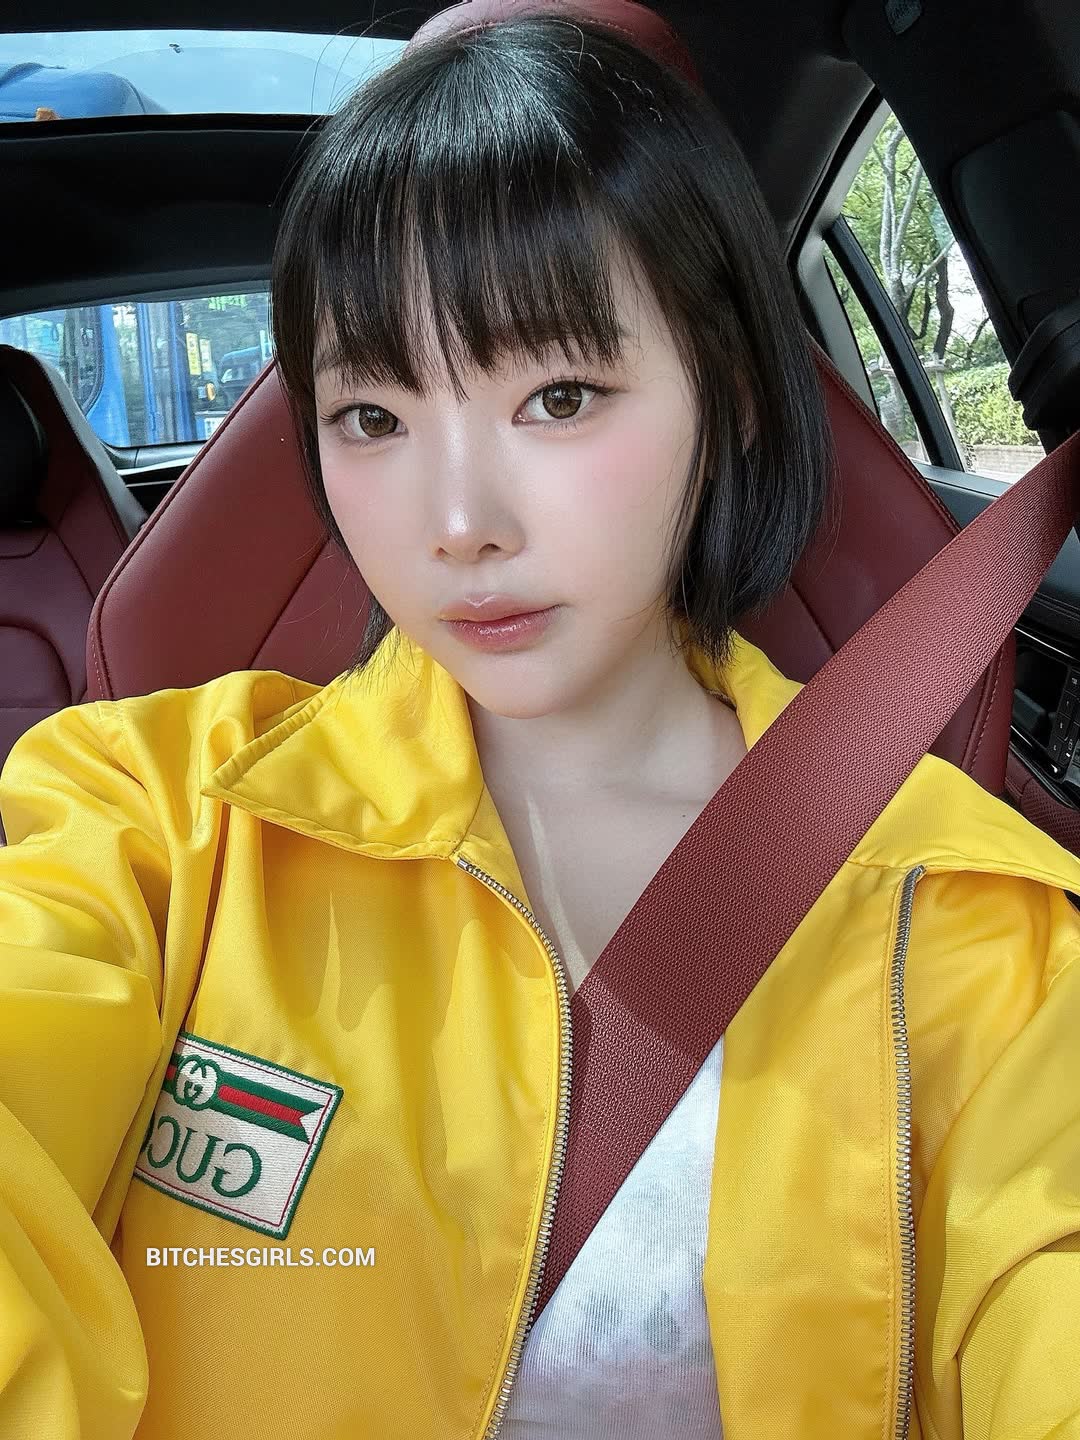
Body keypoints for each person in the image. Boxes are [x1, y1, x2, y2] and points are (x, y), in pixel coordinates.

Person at [1, 5, 1078, 1438]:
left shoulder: (972, 920)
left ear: (729, 398)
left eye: (558, 396)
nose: (458, 523)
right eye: (373, 417)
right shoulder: (148, 816)